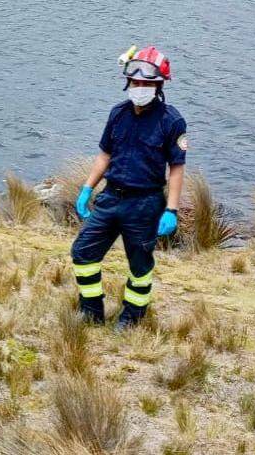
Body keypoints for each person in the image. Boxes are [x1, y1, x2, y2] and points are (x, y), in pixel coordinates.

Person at [70, 46, 187, 330]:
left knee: (140, 267)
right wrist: (87, 189)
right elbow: (104, 155)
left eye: (146, 83)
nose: (139, 87)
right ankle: (91, 311)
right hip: (111, 197)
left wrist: (170, 210)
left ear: (158, 86)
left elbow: (176, 168)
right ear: (127, 83)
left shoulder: (171, 121)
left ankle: (131, 317)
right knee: (82, 252)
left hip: (145, 204)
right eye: (135, 82)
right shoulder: (118, 113)